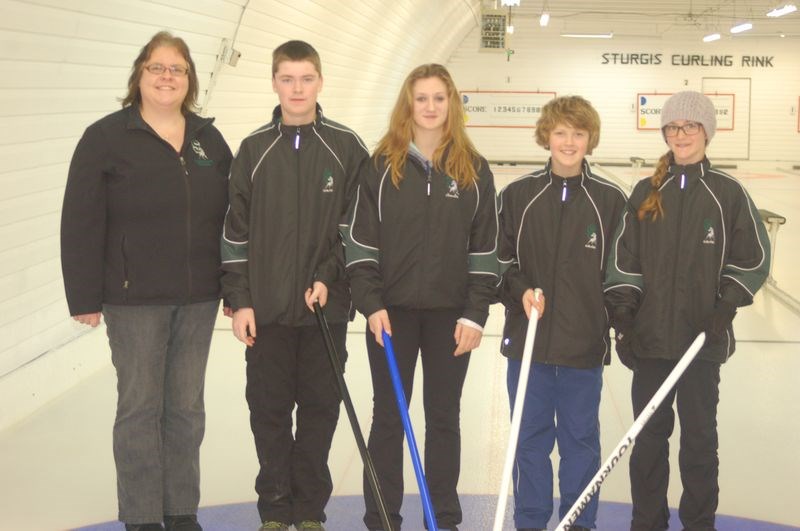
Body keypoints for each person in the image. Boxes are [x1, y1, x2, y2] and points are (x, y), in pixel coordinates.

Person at [60, 31, 232, 531]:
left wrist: (233, 288)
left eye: (177, 69)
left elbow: (233, 219)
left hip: (198, 298)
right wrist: (85, 296)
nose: (166, 77)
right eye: (157, 67)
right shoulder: (106, 138)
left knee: (186, 410)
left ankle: (180, 511)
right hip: (133, 301)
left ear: (189, 80)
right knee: (139, 409)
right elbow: (81, 220)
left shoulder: (208, 139)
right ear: (139, 75)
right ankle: (141, 517)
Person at [604, 91, 770, 531]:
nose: (681, 135)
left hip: (702, 342)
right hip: (652, 342)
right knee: (649, 443)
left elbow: (752, 256)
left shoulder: (727, 194)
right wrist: (624, 318)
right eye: (673, 128)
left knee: (698, 442)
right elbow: (625, 259)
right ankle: (647, 522)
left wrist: (725, 307)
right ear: (665, 134)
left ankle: (699, 523)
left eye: (690, 127)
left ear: (706, 133)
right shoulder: (646, 191)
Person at [220, 40, 368, 531]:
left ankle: (309, 512)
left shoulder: (346, 148)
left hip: (326, 313)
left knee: (320, 412)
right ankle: (275, 510)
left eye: (306, 78)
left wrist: (328, 276)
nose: (297, 88)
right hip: (267, 313)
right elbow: (234, 234)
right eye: (287, 78)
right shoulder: (254, 150)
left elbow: (359, 230)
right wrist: (240, 302)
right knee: (268, 412)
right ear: (274, 83)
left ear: (320, 82)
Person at [345, 63, 499, 531]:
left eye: (439, 98)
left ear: (452, 104)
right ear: (407, 105)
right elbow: (359, 242)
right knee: (389, 417)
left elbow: (486, 249)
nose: (430, 107)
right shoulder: (379, 166)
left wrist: (474, 314)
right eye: (421, 98)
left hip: (450, 317)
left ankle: (444, 519)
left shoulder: (474, 171)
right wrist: (371, 304)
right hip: (390, 315)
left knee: (443, 417)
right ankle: (383, 518)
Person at [497, 96, 627, 531]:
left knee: (580, 445)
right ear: (545, 136)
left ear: (590, 139)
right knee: (529, 443)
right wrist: (520, 292)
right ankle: (530, 522)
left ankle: (578, 523)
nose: (568, 142)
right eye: (560, 132)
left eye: (578, 133)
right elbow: (498, 263)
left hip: (582, 351)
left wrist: (621, 326)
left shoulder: (610, 201)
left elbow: (622, 274)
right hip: (528, 347)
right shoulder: (518, 195)